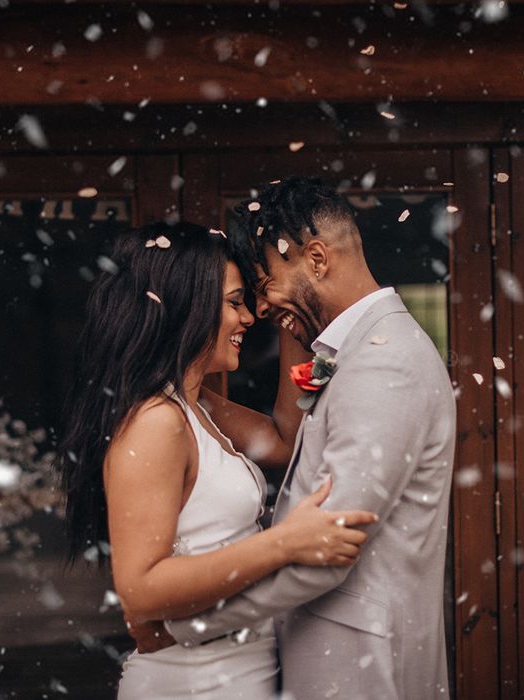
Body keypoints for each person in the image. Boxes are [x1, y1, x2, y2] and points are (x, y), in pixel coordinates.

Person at [159, 178, 457, 699]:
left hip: (357, 659)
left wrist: (193, 624)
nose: (261, 307)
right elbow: (290, 443)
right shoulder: (359, 350)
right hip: (342, 647)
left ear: (316, 258)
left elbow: (331, 547)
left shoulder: (383, 362)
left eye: (263, 281)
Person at [55, 221, 377, 699]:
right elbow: (140, 589)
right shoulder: (155, 422)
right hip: (193, 682)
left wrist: (289, 316)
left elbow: (283, 441)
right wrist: (286, 544)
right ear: (185, 306)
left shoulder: (196, 404)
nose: (248, 317)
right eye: (233, 303)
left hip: (238, 670)